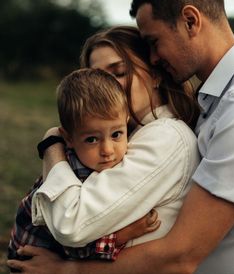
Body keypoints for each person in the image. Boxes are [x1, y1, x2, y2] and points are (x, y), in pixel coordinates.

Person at [7, 24, 200, 273]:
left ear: (155, 75)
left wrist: (51, 146)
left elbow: (71, 223)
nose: (107, 89)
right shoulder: (126, 137)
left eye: (118, 72)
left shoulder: (166, 136)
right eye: (98, 78)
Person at [8, 68, 160, 270]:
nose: (107, 150)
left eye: (116, 134)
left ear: (126, 124)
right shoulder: (74, 174)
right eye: (91, 139)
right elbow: (72, 242)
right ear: (68, 138)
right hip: (32, 259)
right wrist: (124, 234)